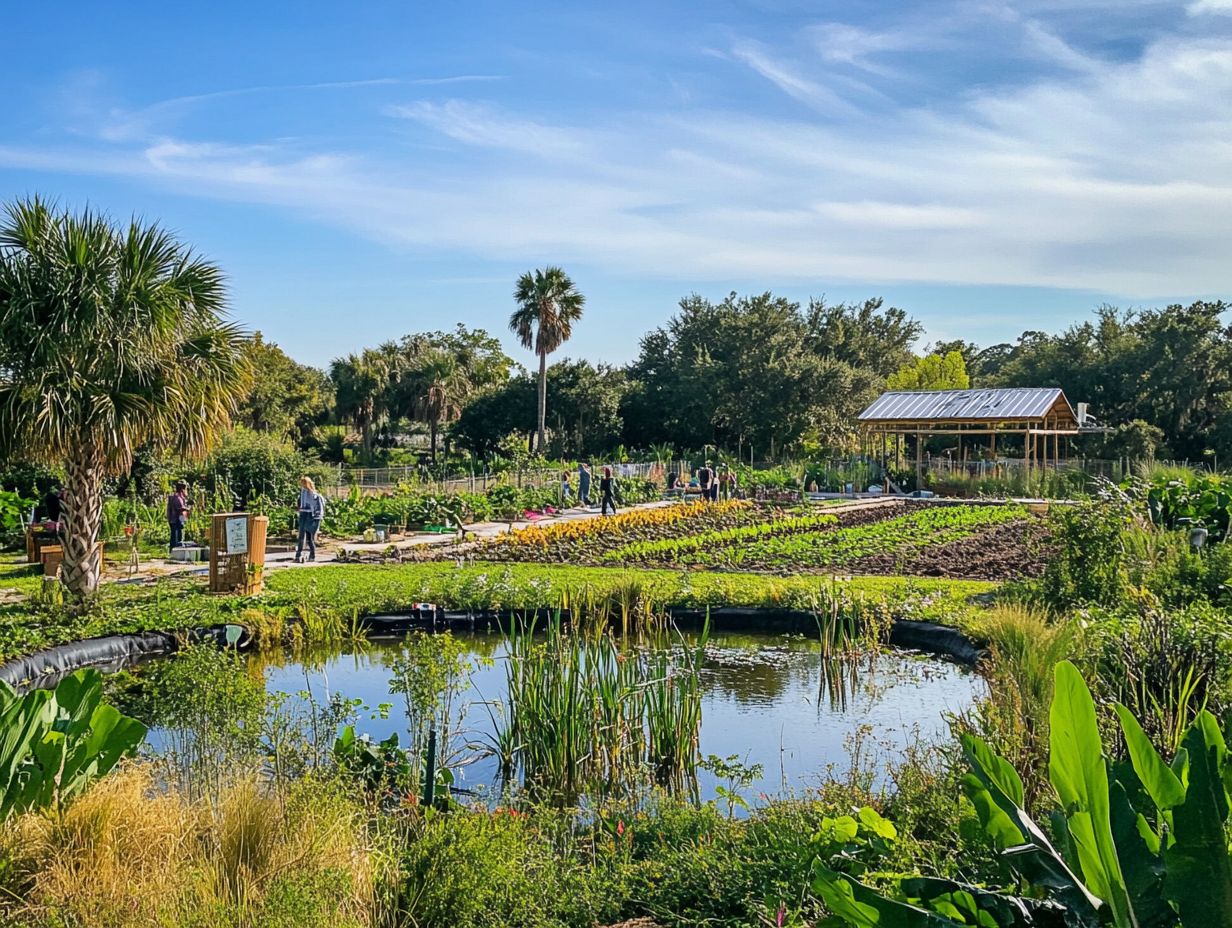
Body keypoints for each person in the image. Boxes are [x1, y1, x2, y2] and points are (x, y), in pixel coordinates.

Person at [295, 476, 326, 563]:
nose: (302, 485)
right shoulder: (302, 493)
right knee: (301, 536)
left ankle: (312, 555)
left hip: (310, 516)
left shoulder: (314, 495)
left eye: (303, 483)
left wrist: (317, 517)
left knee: (309, 538)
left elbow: (317, 508)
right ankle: (298, 555)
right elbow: (300, 503)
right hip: (303, 514)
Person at [166, 481, 191, 553]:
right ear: (182, 489)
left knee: (178, 535)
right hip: (175, 520)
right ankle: (175, 552)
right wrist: (187, 508)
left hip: (178, 520)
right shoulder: (177, 497)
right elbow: (179, 508)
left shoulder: (180, 497)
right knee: (175, 537)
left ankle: (175, 551)